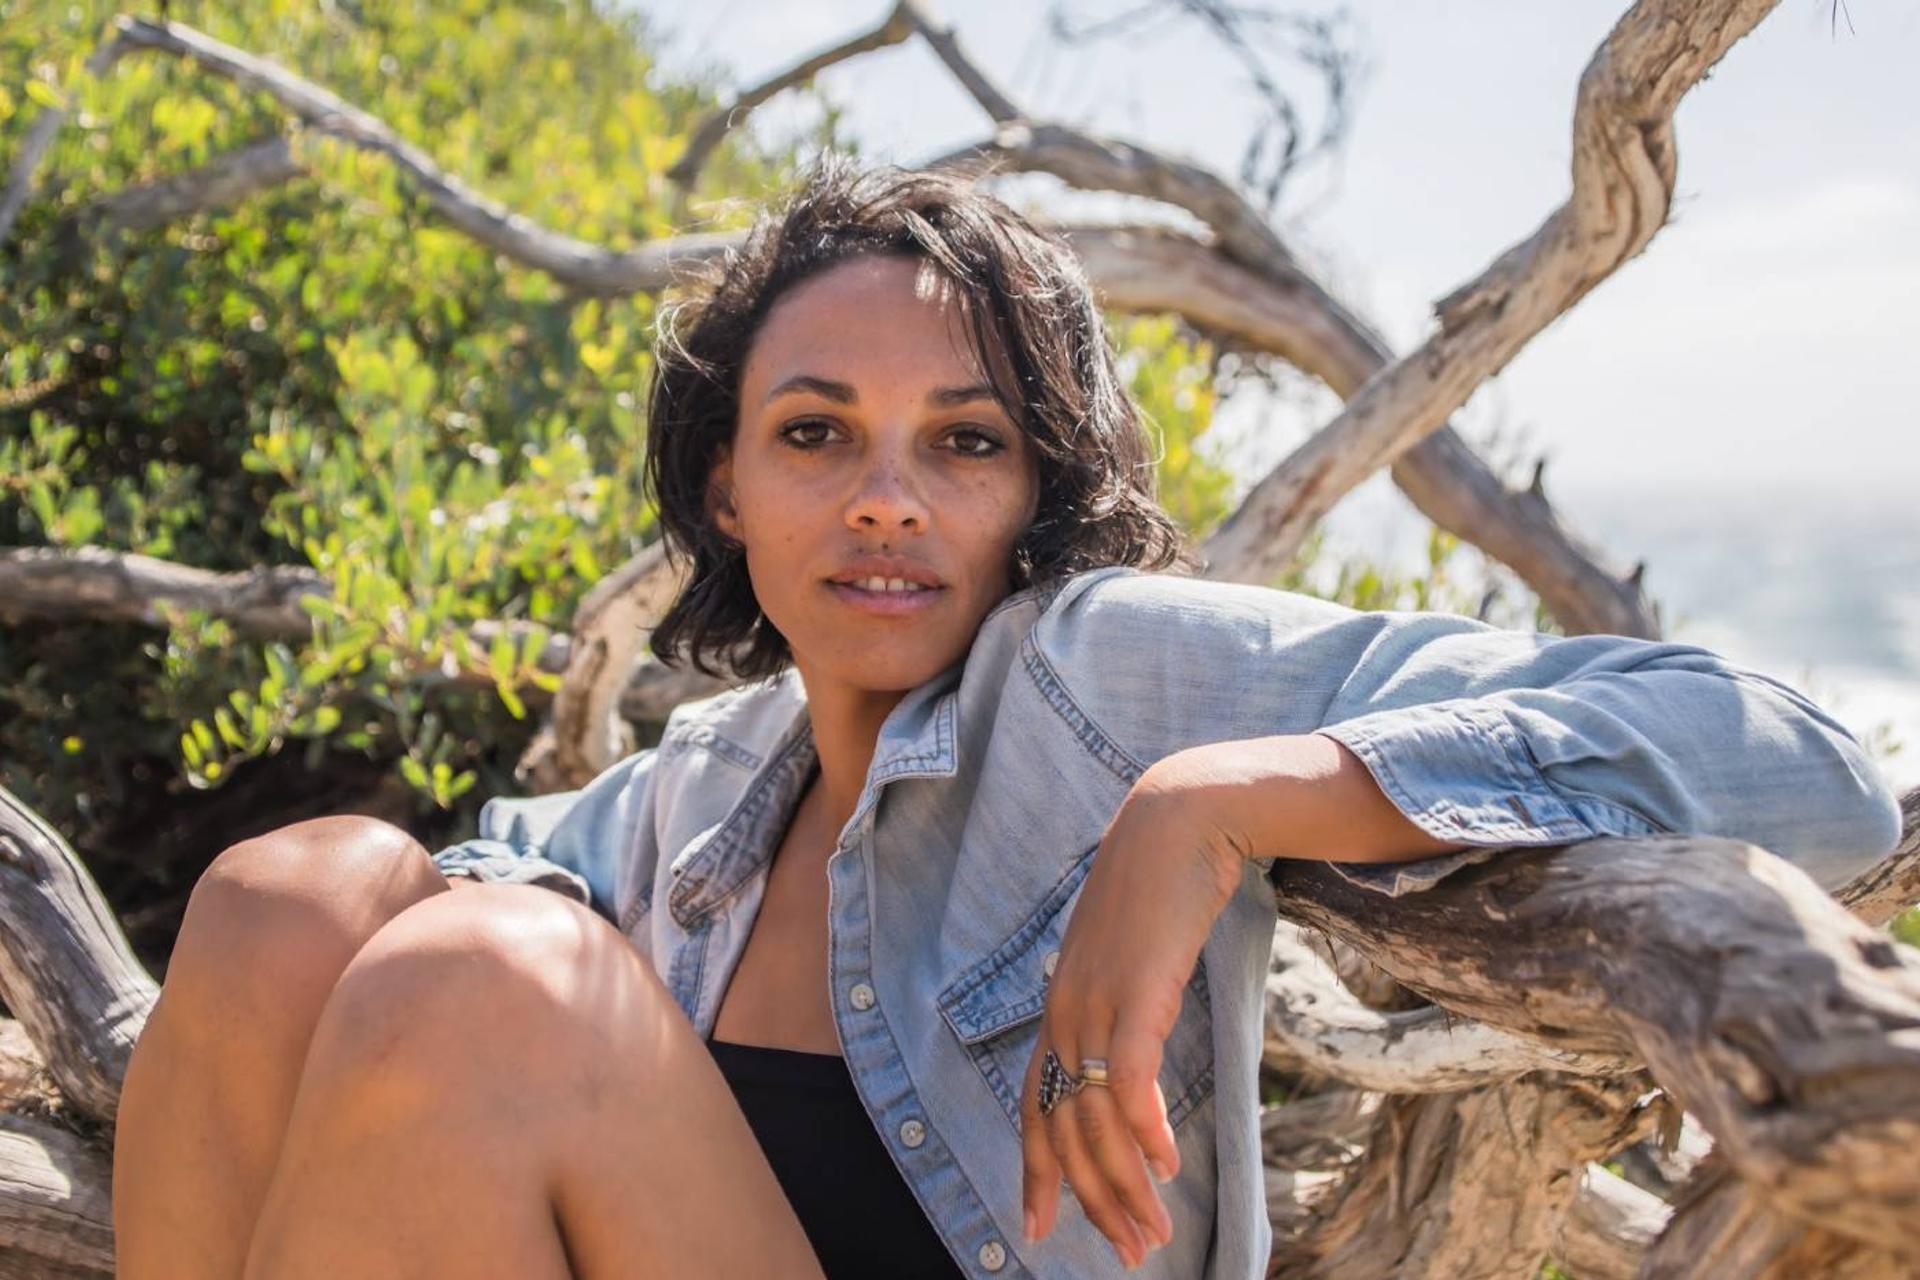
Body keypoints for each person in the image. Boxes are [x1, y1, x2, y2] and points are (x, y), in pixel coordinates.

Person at [110, 154, 1904, 1280]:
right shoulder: (716, 779)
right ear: (727, 490)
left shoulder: (1101, 670)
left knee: (485, 984)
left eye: (962, 443)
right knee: (296, 895)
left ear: (1032, 486)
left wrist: (1206, 808)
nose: (887, 499)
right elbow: (401, 930)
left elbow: (1808, 765)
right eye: (816, 434)